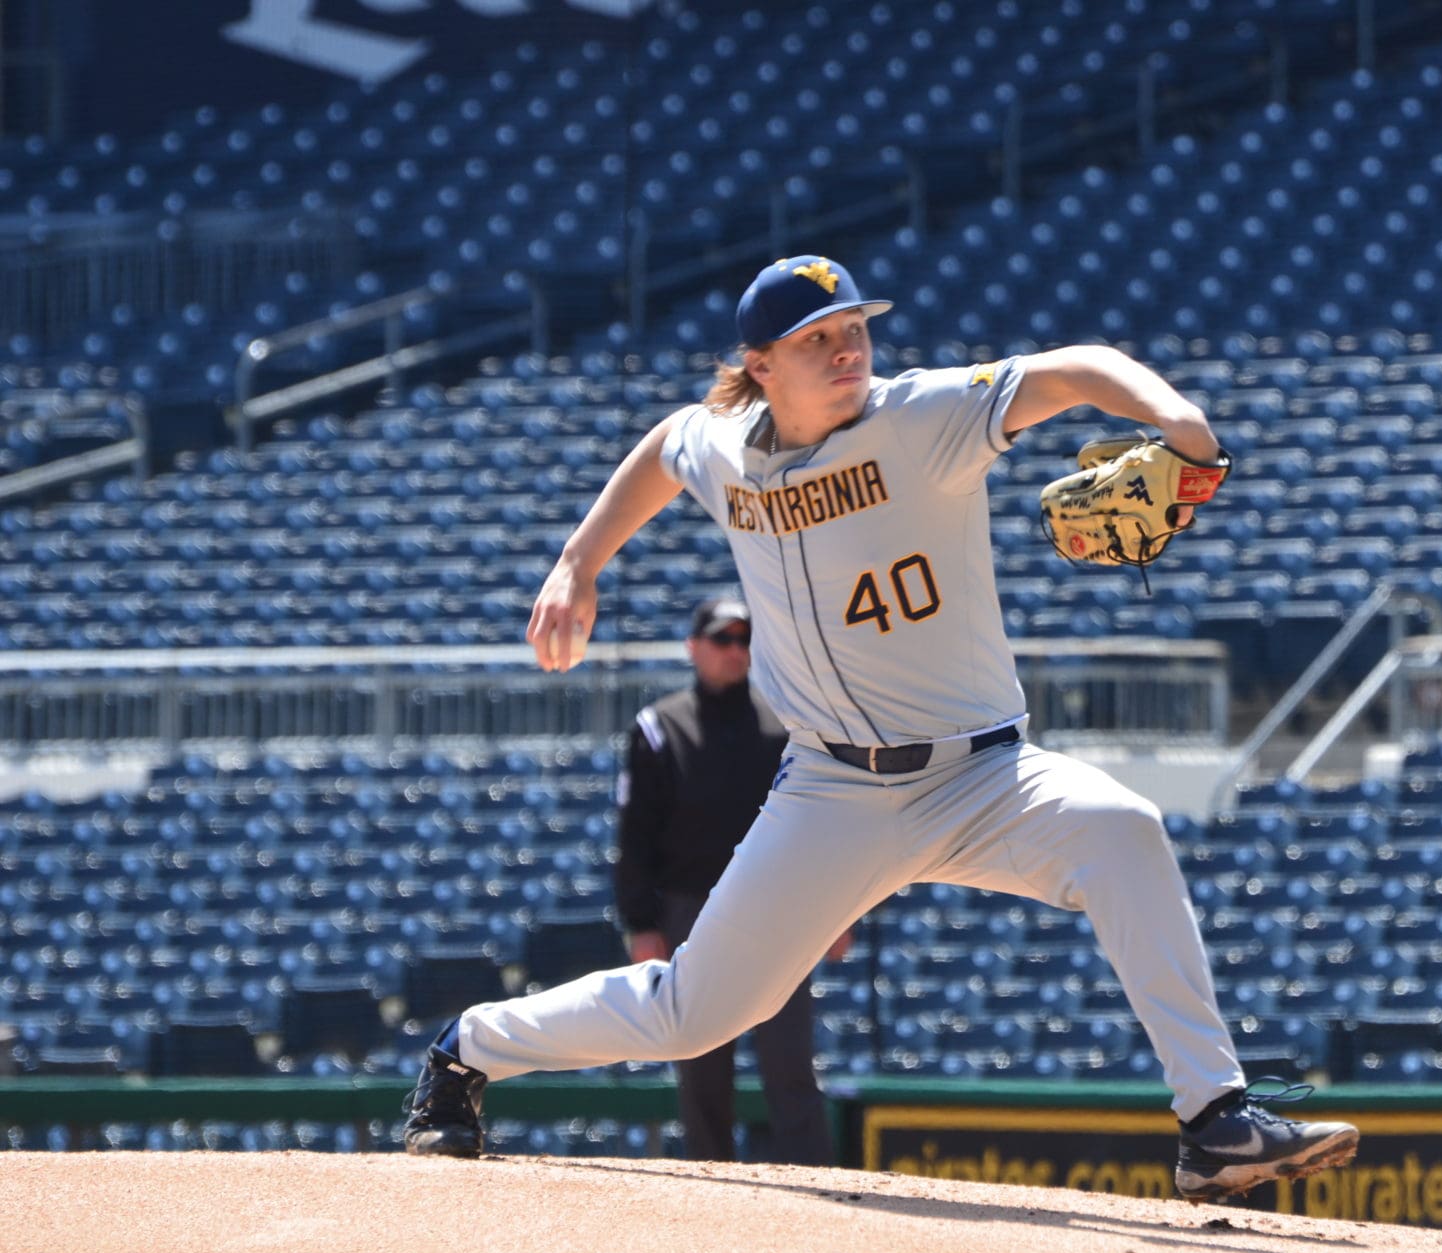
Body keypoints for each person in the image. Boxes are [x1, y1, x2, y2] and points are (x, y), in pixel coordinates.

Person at [400, 252, 1361, 1202]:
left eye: (854, 329)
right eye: (818, 339)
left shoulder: (925, 418)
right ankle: (466, 1050)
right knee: (696, 1012)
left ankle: (1213, 1121)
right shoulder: (725, 442)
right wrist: (579, 561)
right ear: (762, 363)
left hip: (982, 775)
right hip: (833, 792)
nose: (847, 348)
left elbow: (1075, 368)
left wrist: (1176, 419)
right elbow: (667, 445)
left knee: (1124, 829)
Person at [616, 595, 843, 1166]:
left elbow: (822, 826)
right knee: (701, 1062)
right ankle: (710, 1186)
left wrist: (840, 911)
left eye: (744, 640)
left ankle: (814, 1187)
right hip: (691, 909)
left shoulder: (786, 724)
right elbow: (635, 836)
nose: (735, 651)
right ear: (693, 647)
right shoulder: (660, 727)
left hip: (779, 910)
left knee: (790, 1063)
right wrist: (642, 923)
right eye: (722, 640)